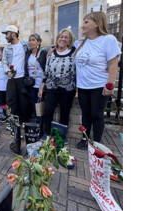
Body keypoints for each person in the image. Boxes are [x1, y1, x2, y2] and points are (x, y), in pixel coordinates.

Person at [74, 12, 121, 149]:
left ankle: (97, 143)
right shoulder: (81, 42)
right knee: (86, 114)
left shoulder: (108, 39)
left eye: (87, 22)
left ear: (97, 24)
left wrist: (109, 84)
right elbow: (64, 43)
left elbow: (113, 64)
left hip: (99, 85)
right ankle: (85, 138)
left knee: (96, 114)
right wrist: (52, 49)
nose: (83, 25)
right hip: (83, 85)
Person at [38, 28, 77, 140]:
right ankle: (47, 133)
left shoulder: (75, 52)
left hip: (68, 88)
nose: (63, 39)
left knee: (65, 112)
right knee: (49, 110)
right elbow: (46, 72)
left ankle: (61, 136)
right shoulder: (51, 54)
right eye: (61, 36)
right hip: (51, 87)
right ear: (57, 39)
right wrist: (42, 88)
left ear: (70, 41)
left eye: (66, 37)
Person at [1, 25, 31, 124]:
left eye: (7, 34)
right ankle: (12, 122)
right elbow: (4, 62)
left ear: (13, 34)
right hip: (11, 79)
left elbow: (36, 48)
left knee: (23, 101)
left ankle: (23, 122)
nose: (5, 36)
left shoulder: (25, 45)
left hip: (22, 78)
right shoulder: (6, 49)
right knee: (10, 101)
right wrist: (8, 72)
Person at [24, 33, 48, 136]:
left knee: (42, 107)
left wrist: (43, 85)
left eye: (33, 40)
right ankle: (37, 126)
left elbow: (47, 69)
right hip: (31, 85)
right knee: (35, 106)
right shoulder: (28, 54)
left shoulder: (43, 53)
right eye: (29, 40)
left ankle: (42, 128)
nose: (30, 42)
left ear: (38, 42)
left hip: (41, 85)